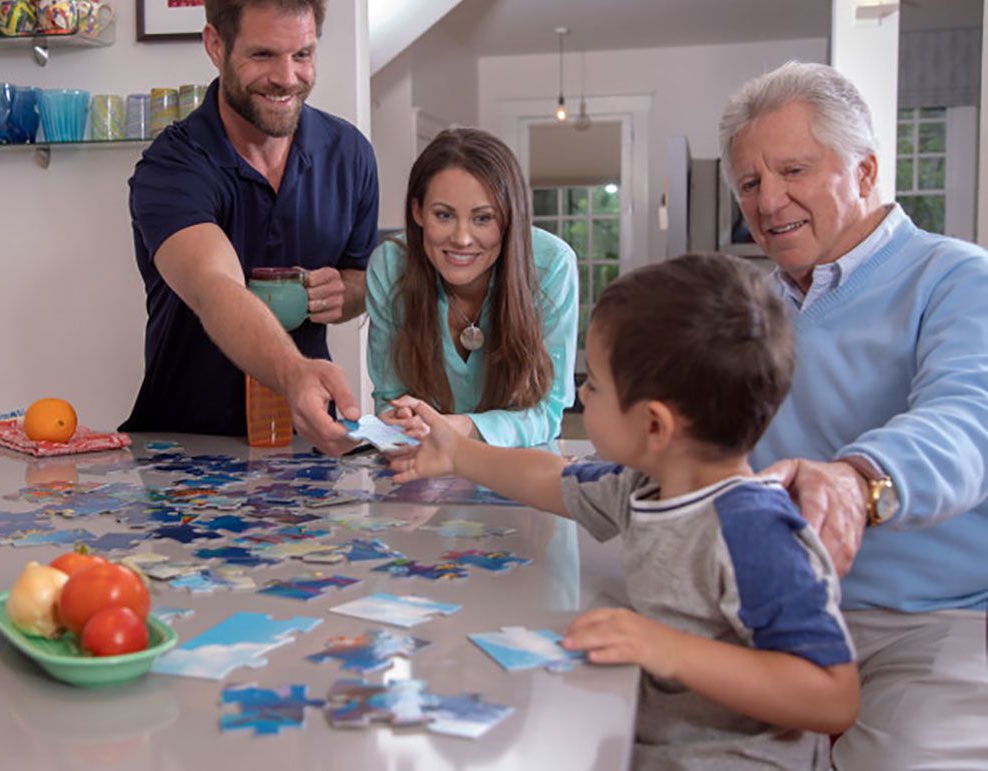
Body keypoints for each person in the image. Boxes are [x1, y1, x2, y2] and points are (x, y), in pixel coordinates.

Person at [389, 252, 860, 768]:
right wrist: (457, 453)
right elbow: (550, 477)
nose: (582, 395)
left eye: (593, 384)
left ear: (654, 426)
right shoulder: (644, 486)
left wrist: (668, 649)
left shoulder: (754, 532)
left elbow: (833, 696)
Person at [719, 60, 988, 769]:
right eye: (748, 182)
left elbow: (969, 421)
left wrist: (855, 479)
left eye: (793, 170)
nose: (768, 201)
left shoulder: (958, 276)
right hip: (782, 612)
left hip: (936, 618)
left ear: (864, 171)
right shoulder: (750, 306)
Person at [120, 0, 378, 454]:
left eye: (302, 54)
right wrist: (294, 371)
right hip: (183, 448)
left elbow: (364, 277)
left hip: (307, 442)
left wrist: (345, 292)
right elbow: (215, 287)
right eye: (263, 55)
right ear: (215, 45)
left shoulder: (351, 153)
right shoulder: (171, 167)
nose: (287, 77)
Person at [366, 127, 578, 447]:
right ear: (417, 211)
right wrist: (399, 423)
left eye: (483, 219)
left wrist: (461, 427)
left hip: (520, 470)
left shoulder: (552, 266)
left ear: (509, 219)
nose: (462, 239)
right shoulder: (389, 267)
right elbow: (392, 398)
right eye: (444, 215)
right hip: (425, 467)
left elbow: (547, 411)